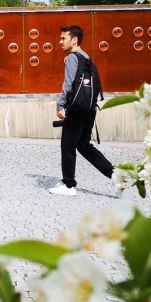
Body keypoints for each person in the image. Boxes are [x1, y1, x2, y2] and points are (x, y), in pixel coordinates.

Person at [49, 25, 114, 196]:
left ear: (74, 39)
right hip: (89, 109)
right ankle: (115, 174)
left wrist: (60, 105)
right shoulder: (86, 58)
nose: (60, 41)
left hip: (77, 109)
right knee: (84, 145)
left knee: (68, 145)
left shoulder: (72, 58)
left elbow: (68, 84)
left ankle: (69, 185)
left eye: (64, 38)